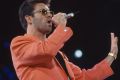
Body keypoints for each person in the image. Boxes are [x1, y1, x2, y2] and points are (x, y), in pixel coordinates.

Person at [10, 0, 118, 80]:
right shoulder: (19, 43)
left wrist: (112, 55)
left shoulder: (58, 55)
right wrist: (61, 27)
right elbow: (45, 51)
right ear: (29, 18)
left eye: (50, 12)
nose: (49, 15)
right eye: (43, 12)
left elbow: (84, 77)